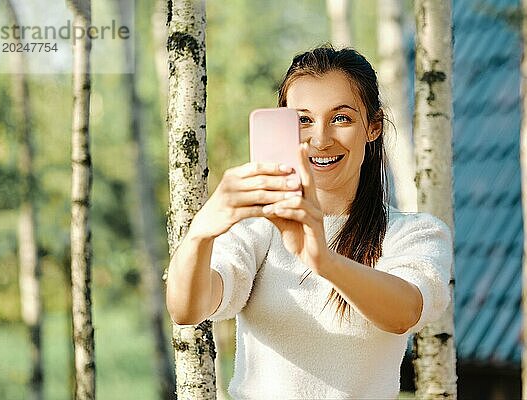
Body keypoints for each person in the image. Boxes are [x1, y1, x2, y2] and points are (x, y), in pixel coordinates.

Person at [166, 45, 452, 399]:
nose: (320, 139)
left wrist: (323, 260)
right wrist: (200, 235)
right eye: (303, 120)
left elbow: (405, 313)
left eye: (341, 118)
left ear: (373, 127)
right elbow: (187, 309)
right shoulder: (257, 228)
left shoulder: (415, 233)